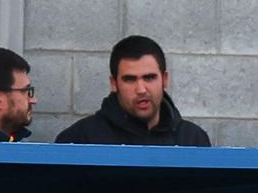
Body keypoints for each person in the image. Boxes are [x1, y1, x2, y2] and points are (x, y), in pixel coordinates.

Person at [56, 35, 211, 147]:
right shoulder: (81, 139)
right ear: (114, 83)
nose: (141, 89)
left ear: (164, 79)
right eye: (130, 79)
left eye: (149, 78)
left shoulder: (192, 139)